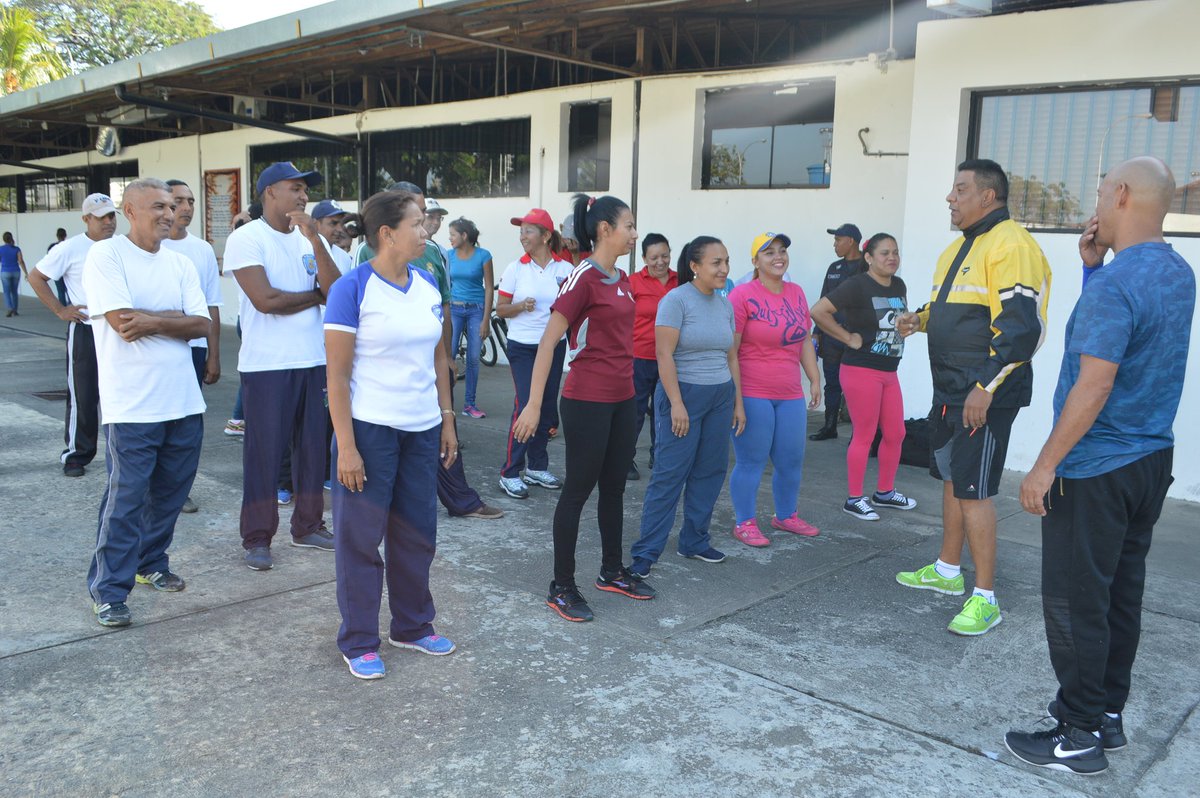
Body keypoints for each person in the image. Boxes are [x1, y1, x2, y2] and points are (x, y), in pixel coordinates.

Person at [1004, 157, 1195, 775]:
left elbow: (1096, 381)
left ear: (1118, 194)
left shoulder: (1118, 285)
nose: (1092, 206)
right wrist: (1092, 272)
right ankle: (1107, 714)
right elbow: (1127, 342)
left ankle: (1077, 735)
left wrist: (1043, 466)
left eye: (1096, 192)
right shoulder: (1176, 272)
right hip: (1148, 460)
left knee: (1073, 600)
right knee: (1119, 594)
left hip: (1094, 467)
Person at [894, 158, 1052, 636]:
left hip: (984, 393)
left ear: (989, 196)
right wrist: (917, 320)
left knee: (975, 491)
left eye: (959, 189)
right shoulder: (958, 249)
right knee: (950, 479)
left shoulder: (1013, 245)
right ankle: (946, 570)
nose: (950, 197)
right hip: (952, 390)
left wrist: (985, 387)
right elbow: (947, 307)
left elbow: (1020, 329)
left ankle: (985, 596)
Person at [325, 189, 459, 680]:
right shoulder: (353, 289)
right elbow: (336, 377)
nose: (426, 231)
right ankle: (359, 639)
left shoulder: (425, 283)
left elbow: (439, 357)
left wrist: (447, 418)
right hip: (370, 430)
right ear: (387, 233)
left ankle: (412, 625)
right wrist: (347, 446)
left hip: (421, 429)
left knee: (417, 532)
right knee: (361, 539)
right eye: (418, 224)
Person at [513, 193, 656, 622]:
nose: (634, 233)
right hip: (586, 400)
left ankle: (612, 571)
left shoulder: (623, 279)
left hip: (622, 397)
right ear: (605, 229)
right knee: (577, 491)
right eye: (629, 225)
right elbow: (548, 341)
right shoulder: (582, 278)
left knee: (614, 488)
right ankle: (562, 586)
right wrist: (534, 405)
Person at [81, 178, 211, 627]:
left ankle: (150, 562)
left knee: (170, 494)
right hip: (132, 406)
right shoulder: (107, 255)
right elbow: (121, 322)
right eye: (158, 205)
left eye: (172, 206)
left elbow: (202, 325)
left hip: (183, 402)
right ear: (130, 211)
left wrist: (153, 318)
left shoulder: (180, 264)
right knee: (127, 500)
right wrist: (174, 319)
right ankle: (109, 590)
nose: (169, 213)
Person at [354, 182, 503, 521]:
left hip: (429, 363)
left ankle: (460, 499)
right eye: (416, 217)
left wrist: (447, 355)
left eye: (425, 216)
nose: (424, 224)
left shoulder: (433, 252)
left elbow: (444, 305)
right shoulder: (367, 257)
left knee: (442, 432)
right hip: (387, 385)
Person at [223, 162, 343, 571]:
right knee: (265, 454)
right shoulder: (246, 238)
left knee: (312, 451)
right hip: (267, 366)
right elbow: (266, 301)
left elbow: (336, 291)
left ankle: (308, 525)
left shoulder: (307, 240)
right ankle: (257, 538)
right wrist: (314, 296)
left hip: (313, 361)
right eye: (295, 188)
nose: (303, 195)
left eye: (304, 189)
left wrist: (316, 241)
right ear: (269, 192)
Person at [629, 236, 744, 578]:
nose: (724, 268)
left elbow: (731, 355)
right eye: (716, 263)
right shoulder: (675, 300)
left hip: (720, 395)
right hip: (685, 396)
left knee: (710, 472)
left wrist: (738, 402)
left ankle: (694, 541)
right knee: (670, 474)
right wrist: (676, 403)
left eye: (726, 261)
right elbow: (664, 355)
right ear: (695, 266)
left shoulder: (725, 304)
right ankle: (646, 553)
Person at [811, 233, 917, 521]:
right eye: (884, 253)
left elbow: (896, 320)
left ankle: (884, 492)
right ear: (869, 258)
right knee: (865, 435)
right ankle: (854, 498)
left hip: (888, 371)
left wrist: (909, 323)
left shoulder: (899, 284)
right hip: (861, 370)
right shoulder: (857, 285)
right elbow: (818, 311)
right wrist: (848, 337)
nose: (892, 257)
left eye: (895, 252)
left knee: (896, 433)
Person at [727, 233, 822, 547]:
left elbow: (805, 339)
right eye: (769, 253)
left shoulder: (796, 292)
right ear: (755, 262)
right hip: (754, 391)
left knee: (791, 459)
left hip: (789, 392)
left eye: (782, 251)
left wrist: (814, 379)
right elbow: (731, 351)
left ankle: (785, 515)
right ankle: (745, 522)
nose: (778, 257)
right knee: (752, 460)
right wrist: (737, 399)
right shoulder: (741, 295)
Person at [27, 194, 119, 477]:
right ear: (86, 219)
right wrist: (59, 309)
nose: (108, 222)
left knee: (121, 394)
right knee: (83, 395)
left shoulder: (122, 246)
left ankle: (122, 453)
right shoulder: (70, 248)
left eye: (112, 216)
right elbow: (36, 276)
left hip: (118, 332)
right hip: (86, 331)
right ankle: (77, 455)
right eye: (101, 217)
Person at [496, 208, 573, 499]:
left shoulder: (565, 270)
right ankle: (510, 471)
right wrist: (520, 307)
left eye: (528, 230)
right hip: (523, 347)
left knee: (546, 407)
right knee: (528, 404)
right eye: (521, 231)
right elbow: (501, 309)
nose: (522, 236)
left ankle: (537, 466)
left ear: (545, 236)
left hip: (554, 345)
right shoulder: (515, 269)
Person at [160, 179, 223, 514]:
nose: (185, 208)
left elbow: (212, 305)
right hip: (153, 350)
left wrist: (214, 354)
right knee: (156, 421)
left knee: (186, 424)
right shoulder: (144, 248)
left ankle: (179, 489)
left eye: (190, 201)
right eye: (177, 201)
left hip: (194, 348)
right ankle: (152, 486)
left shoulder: (200, 250)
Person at [809, 223, 865, 441]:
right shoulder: (834, 268)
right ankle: (829, 426)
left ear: (850, 241)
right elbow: (823, 299)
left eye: (838, 240)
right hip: (832, 336)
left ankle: (859, 434)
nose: (835, 245)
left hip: (856, 338)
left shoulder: (867, 266)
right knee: (832, 383)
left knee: (857, 387)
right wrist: (817, 332)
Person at [627, 233, 676, 481]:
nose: (660, 262)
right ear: (644, 258)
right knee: (634, 410)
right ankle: (625, 458)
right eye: (654, 257)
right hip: (640, 355)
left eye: (665, 256)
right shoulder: (633, 282)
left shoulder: (681, 281)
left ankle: (660, 455)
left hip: (670, 357)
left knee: (664, 410)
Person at [446, 217, 494, 419]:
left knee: (473, 358)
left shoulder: (484, 255)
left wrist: (486, 320)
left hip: (476, 309)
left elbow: (489, 287)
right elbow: (446, 285)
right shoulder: (448, 256)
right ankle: (446, 404)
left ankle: (469, 405)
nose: (450, 239)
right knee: (449, 355)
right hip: (454, 309)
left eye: (453, 235)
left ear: (464, 236)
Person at [223, 201, 261, 439]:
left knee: (252, 374)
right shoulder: (246, 243)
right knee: (253, 375)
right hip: (248, 319)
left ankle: (239, 418)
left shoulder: (242, 238)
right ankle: (238, 418)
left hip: (243, 317)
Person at [312, 199, 355, 274]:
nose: (340, 229)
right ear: (315, 224)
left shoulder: (345, 258)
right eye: (333, 223)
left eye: (341, 223)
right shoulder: (303, 252)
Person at [1, 231, 28, 317]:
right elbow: (20, 261)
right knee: (14, 291)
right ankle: (15, 310)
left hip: (5, 272)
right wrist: (26, 273)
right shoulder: (16, 249)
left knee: (6, 292)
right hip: (16, 271)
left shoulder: (1, 249)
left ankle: (10, 308)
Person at [48, 228, 69, 304]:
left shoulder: (52, 246)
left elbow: (49, 260)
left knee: (60, 292)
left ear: (57, 236)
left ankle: (64, 310)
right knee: (70, 291)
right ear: (65, 235)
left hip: (57, 271)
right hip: (68, 271)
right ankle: (74, 310)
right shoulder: (68, 245)